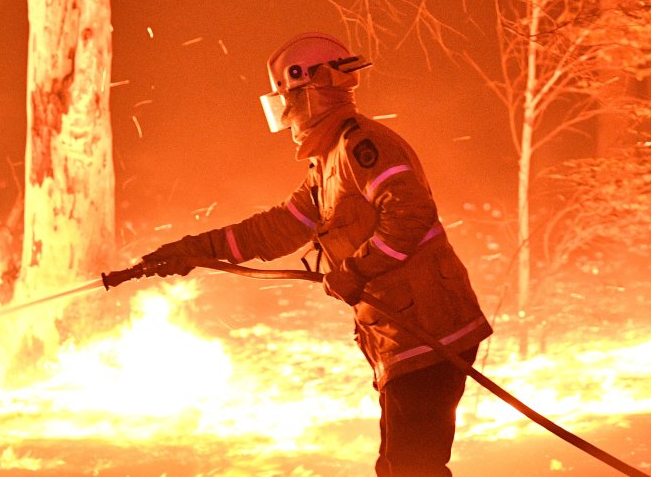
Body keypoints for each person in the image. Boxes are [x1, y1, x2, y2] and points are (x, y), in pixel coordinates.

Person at [142, 32, 492, 477]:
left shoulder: (362, 148)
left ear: (315, 89)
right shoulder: (328, 162)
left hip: (429, 328)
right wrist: (197, 249)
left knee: (413, 467)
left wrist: (356, 271)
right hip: (404, 334)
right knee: (397, 466)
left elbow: (410, 213)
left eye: (288, 100)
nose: (286, 115)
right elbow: (277, 228)